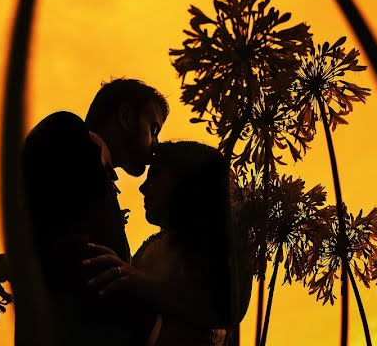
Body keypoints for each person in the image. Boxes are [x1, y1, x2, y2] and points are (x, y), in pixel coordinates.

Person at [20, 78, 169, 346]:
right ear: (125, 116)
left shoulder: (100, 180)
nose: (156, 144)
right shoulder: (66, 132)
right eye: (153, 128)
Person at [83, 141, 251, 346]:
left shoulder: (223, 252)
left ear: (187, 180)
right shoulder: (155, 247)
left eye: (155, 174)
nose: (143, 188)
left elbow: (225, 310)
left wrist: (139, 281)